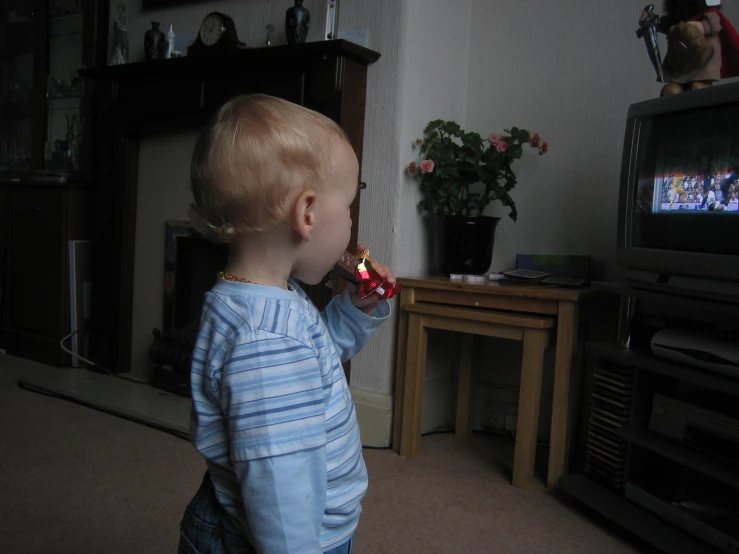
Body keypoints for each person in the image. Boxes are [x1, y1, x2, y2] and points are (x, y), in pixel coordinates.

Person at [178, 94, 395, 554]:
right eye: (350, 207)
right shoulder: (266, 337)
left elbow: (315, 360)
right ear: (308, 214)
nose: (352, 224)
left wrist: (356, 307)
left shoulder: (264, 301)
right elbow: (279, 488)